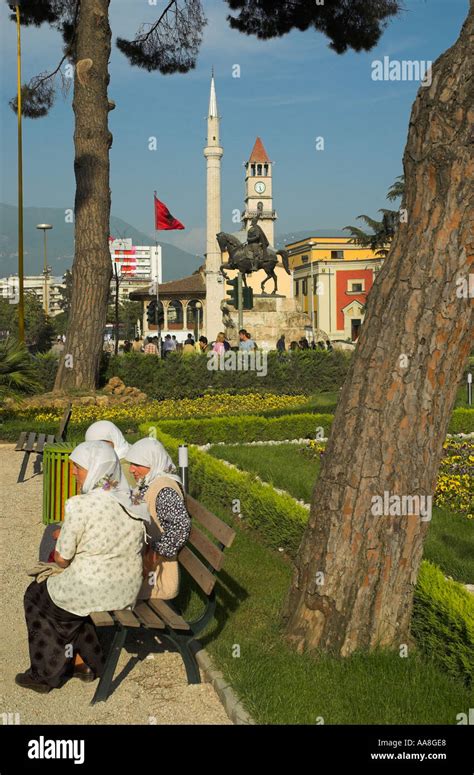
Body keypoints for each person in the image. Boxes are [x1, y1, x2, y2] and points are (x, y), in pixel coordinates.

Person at [16, 441, 149, 693]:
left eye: (78, 467)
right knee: (76, 607)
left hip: (92, 588)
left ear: (97, 468)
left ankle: (44, 675)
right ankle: (88, 664)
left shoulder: (80, 505)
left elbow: (63, 559)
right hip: (125, 591)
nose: (73, 472)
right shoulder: (133, 498)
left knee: (36, 596)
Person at [125, 439, 191, 601]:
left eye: (137, 464)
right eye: (131, 463)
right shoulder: (149, 483)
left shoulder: (164, 490)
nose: (131, 469)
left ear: (153, 463)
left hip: (156, 573)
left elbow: (181, 526)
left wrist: (154, 553)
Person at [85, 420, 135, 487]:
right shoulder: (109, 462)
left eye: (101, 443)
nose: (97, 449)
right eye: (92, 446)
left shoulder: (126, 466)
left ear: (114, 439)